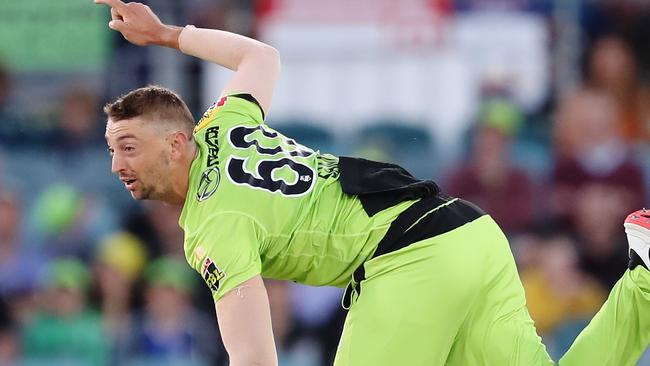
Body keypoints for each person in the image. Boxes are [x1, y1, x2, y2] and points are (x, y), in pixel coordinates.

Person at [96, 1, 650, 364]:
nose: (117, 163)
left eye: (128, 147)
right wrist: (168, 34)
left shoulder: (213, 225)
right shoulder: (225, 122)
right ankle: (644, 280)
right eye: (111, 149)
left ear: (175, 144)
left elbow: (255, 358)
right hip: (468, 231)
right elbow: (259, 55)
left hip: (409, 261)